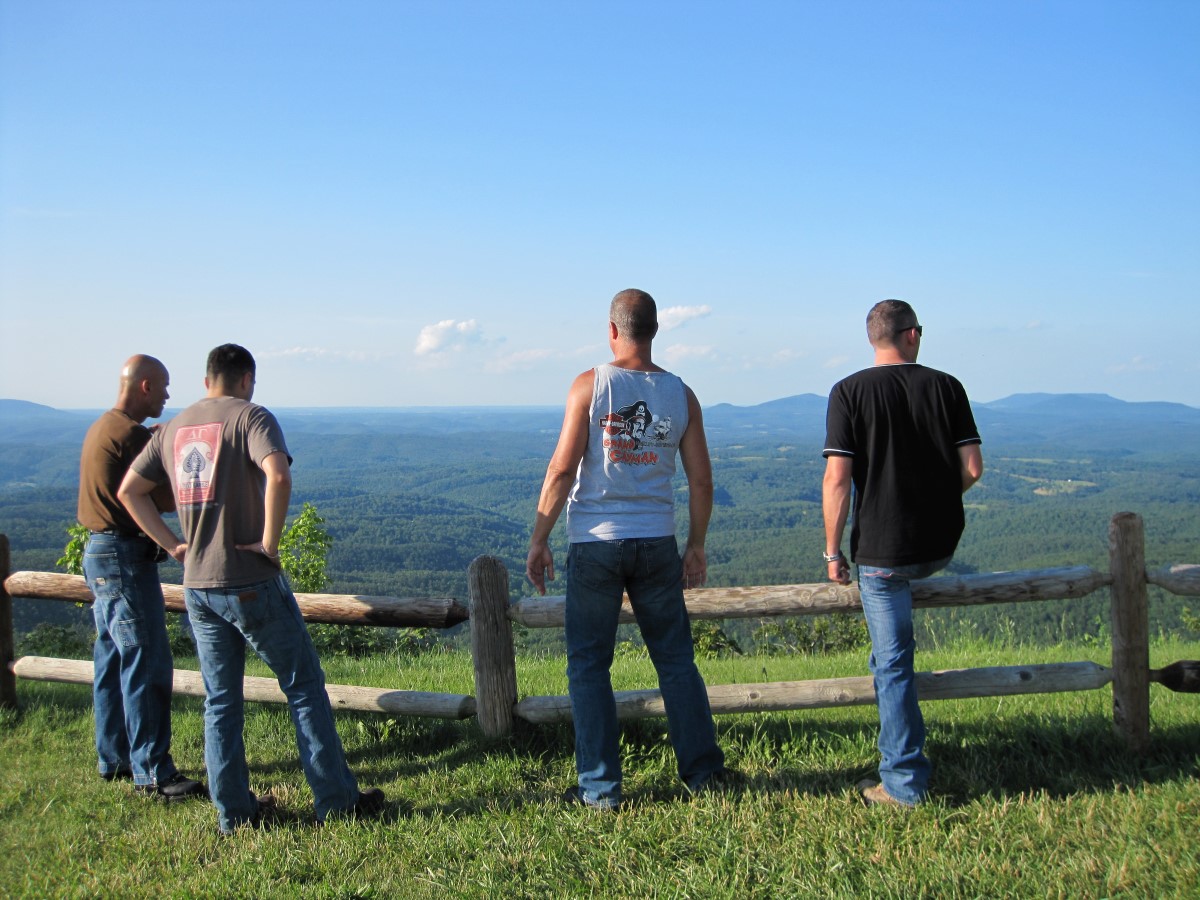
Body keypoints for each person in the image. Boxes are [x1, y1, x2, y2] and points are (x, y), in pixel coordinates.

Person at [118, 343, 384, 834]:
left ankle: (234, 814)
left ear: (206, 381)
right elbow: (278, 475)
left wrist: (173, 545)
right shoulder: (251, 417)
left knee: (220, 701)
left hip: (197, 585)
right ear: (246, 379)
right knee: (304, 688)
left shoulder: (174, 428)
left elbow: (129, 491)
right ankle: (337, 802)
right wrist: (269, 543)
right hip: (249, 579)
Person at [526, 289, 729, 809]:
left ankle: (600, 789)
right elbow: (701, 481)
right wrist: (696, 544)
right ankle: (704, 774)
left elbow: (562, 469)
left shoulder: (590, 385)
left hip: (595, 542)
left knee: (589, 664)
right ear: (654, 330)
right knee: (676, 661)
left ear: (612, 330)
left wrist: (539, 538)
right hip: (657, 541)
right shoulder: (682, 395)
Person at [821, 300, 983, 808]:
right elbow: (972, 468)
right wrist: (938, 499)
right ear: (912, 335)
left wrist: (832, 552)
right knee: (890, 657)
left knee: (892, 664)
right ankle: (902, 773)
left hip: (883, 551)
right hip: (939, 546)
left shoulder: (848, 391)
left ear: (873, 338)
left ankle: (903, 784)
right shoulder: (948, 386)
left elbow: (837, 479)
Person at [77, 355, 206, 801]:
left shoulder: (103, 427)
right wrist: (166, 450)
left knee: (113, 659)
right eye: (164, 386)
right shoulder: (130, 435)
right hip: (125, 557)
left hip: (100, 554)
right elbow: (164, 498)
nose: (168, 395)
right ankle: (153, 772)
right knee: (146, 660)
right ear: (145, 385)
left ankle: (114, 757)